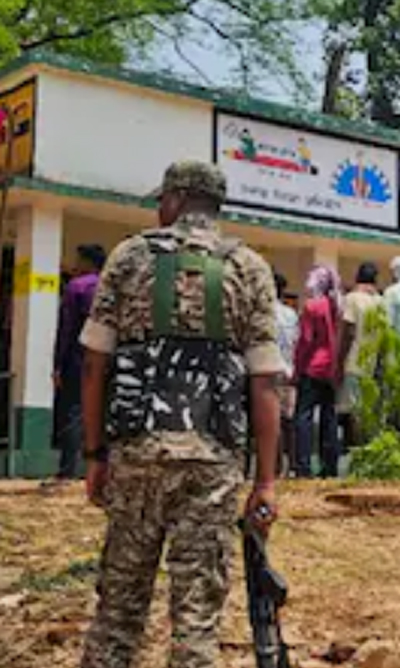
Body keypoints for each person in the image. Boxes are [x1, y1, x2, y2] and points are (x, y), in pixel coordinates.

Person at [75, 160, 284, 668]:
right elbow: (266, 383)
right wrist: (266, 481)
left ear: (174, 200)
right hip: (213, 464)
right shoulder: (250, 267)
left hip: (135, 457)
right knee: (196, 618)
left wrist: (94, 452)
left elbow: (94, 364)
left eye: (160, 200)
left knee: (118, 612)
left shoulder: (127, 257)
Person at [53, 245, 106, 479]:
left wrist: (57, 364)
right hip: (107, 357)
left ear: (87, 262)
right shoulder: (110, 286)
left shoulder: (76, 287)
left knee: (72, 413)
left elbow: (66, 328)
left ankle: (68, 470)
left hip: (78, 358)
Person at [290, 265, 343, 478]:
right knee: (329, 417)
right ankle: (329, 466)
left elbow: (306, 340)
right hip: (332, 368)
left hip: (312, 367)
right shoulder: (338, 306)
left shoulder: (312, 306)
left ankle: (302, 466)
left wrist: (296, 368)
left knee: (303, 416)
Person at [337, 263, 383, 444]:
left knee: (352, 413)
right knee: (367, 411)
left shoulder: (352, 298)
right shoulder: (380, 301)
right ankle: (367, 447)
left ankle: (355, 450)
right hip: (372, 364)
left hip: (353, 362)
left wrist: (340, 361)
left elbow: (348, 331)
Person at [272, 276, 300, 474]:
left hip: (268, 372)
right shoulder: (291, 314)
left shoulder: (264, 313)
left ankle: (274, 466)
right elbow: (296, 343)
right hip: (289, 371)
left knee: (270, 421)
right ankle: (292, 466)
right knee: (288, 422)